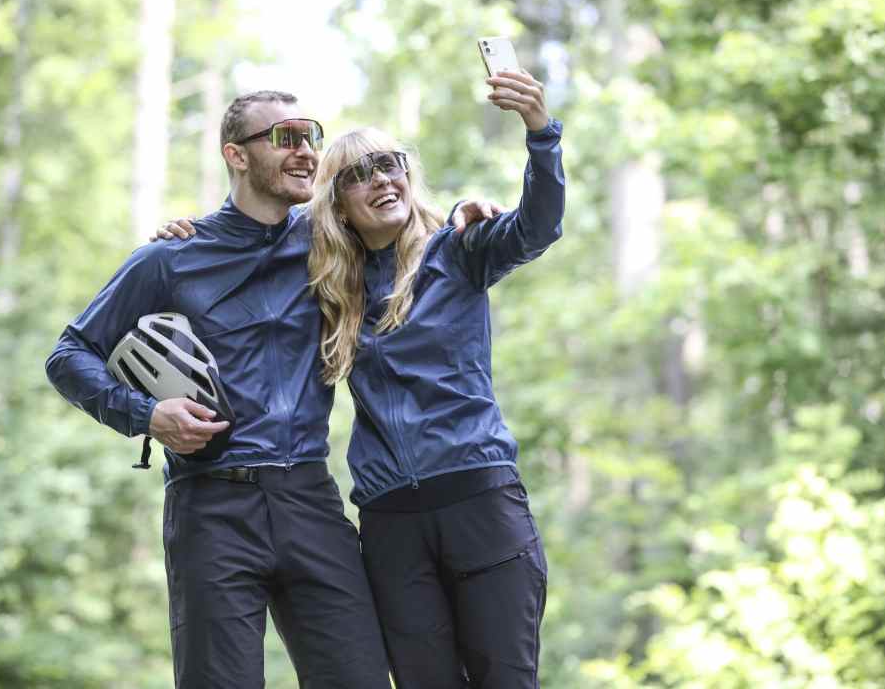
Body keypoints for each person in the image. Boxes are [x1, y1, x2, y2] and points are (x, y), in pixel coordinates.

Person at [158, 69, 564, 687]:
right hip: (390, 520)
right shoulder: (329, 282)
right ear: (337, 206)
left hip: (480, 500)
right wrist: (190, 232)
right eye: (356, 174)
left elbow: (537, 226)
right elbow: (249, 240)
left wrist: (539, 133)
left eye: (390, 163)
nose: (380, 179)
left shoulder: (459, 251)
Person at [45, 91, 395, 689]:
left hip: (309, 498)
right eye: (286, 138)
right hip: (211, 509)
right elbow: (68, 355)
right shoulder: (170, 257)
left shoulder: (329, 239)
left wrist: (471, 210)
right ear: (236, 154)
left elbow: (404, 218)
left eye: (310, 135)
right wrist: (148, 414)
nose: (307, 152)